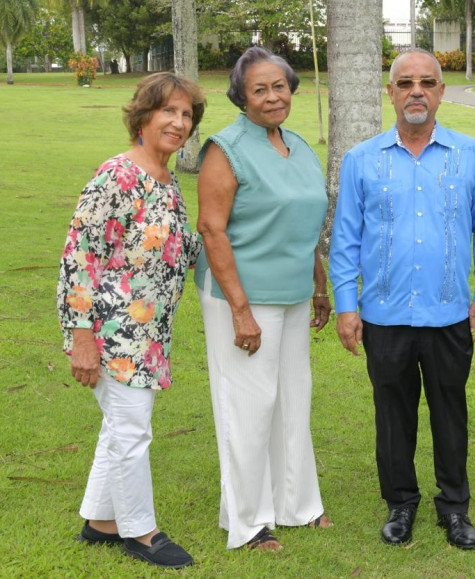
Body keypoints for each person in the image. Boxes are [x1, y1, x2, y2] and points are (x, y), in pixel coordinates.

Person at [329, 48, 475, 551]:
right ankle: (400, 503)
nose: (416, 92)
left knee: (451, 411)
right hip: (384, 314)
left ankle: (454, 508)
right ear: (391, 92)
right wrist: (346, 305)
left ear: (442, 92)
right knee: (393, 414)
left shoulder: (469, 154)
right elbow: (346, 242)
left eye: (427, 82)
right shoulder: (363, 160)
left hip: (449, 311)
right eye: (405, 83)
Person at [57, 72, 206, 570]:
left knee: (119, 426)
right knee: (131, 429)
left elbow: (182, 251)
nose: (179, 122)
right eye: (169, 111)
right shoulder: (116, 176)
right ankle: (141, 533)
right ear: (142, 117)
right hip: (110, 331)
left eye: (186, 115)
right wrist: (82, 339)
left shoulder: (168, 180)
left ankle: (100, 522)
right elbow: (79, 258)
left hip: (150, 335)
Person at [194, 46, 332, 552]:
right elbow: (211, 229)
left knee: (293, 398)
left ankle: (297, 504)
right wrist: (239, 310)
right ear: (241, 97)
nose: (272, 96)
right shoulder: (224, 149)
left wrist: (319, 286)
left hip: (294, 293)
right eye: (260, 89)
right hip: (242, 297)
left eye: (279, 86)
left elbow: (306, 223)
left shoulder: (297, 143)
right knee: (248, 406)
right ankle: (248, 521)